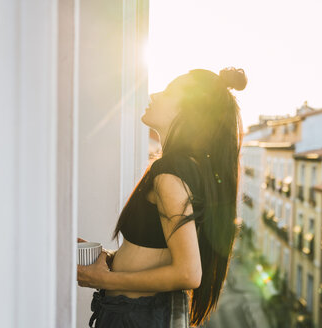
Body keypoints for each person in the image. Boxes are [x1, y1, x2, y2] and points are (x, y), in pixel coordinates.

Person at [77, 67, 247, 327]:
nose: (154, 95)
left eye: (168, 92)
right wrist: (109, 259)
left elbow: (188, 273)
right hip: (139, 313)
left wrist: (102, 280)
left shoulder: (170, 173)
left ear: (187, 112)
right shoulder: (187, 168)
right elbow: (156, 251)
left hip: (137, 317)